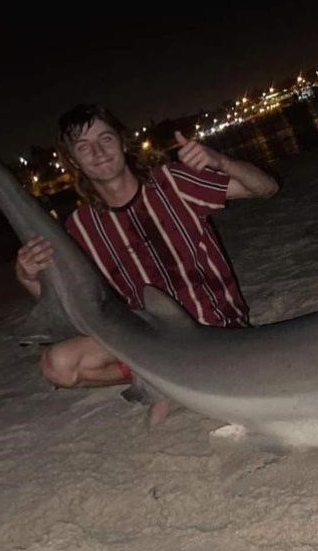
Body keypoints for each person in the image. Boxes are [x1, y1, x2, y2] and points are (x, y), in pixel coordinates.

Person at [15, 104, 279, 425]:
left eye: (106, 139)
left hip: (217, 332)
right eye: (84, 147)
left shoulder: (173, 182)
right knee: (57, 365)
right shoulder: (79, 228)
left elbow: (266, 188)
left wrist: (221, 162)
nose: (98, 152)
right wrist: (28, 275)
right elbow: (68, 306)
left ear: (122, 142)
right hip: (151, 345)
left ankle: (172, 384)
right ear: (73, 160)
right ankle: (160, 382)